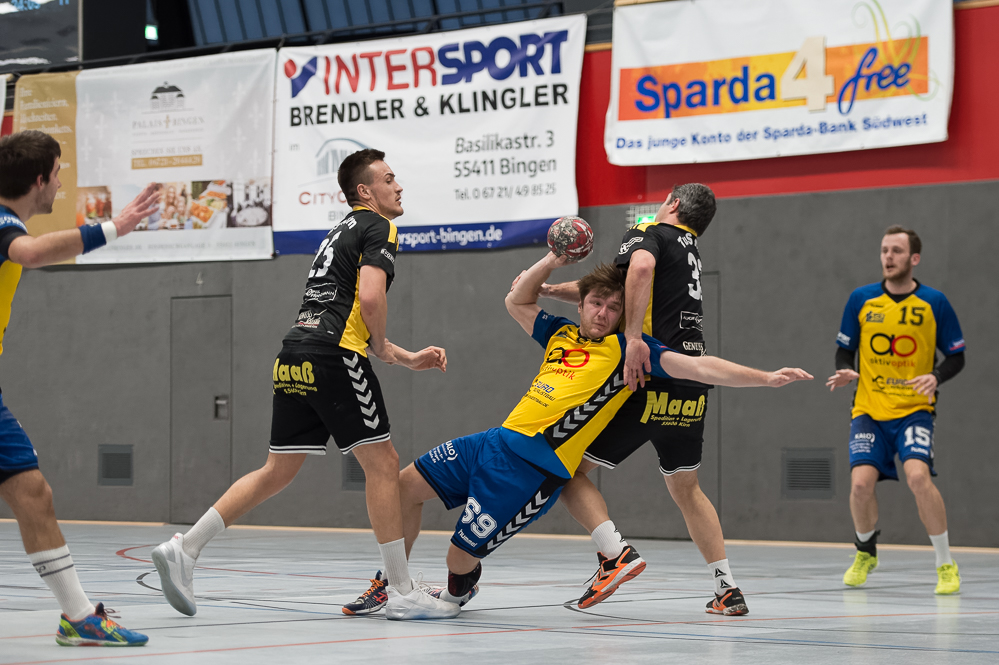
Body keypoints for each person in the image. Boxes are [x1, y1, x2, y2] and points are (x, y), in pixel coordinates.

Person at [378, 251, 811, 620]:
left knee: (457, 560)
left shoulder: (629, 351)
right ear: (582, 305)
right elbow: (516, 299)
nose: (603, 313)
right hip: (491, 442)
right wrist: (553, 259)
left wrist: (765, 378)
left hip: (532, 471)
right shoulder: (559, 333)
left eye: (613, 308)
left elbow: (698, 367)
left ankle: (456, 594)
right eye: (596, 303)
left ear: (623, 315)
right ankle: (392, 585)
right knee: (403, 486)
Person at [152, 149, 448, 618]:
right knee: (384, 464)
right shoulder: (379, 226)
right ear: (366, 191)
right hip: (334, 356)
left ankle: (185, 548)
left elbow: (345, 307)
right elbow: (370, 299)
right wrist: (380, 345)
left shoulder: (339, 231)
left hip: (294, 353)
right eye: (390, 179)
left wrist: (402, 356)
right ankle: (399, 590)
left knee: (277, 470)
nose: (399, 186)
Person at [540, 185, 746, 614]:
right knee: (687, 489)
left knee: (565, 470)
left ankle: (615, 554)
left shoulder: (649, 231)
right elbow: (610, 288)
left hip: (648, 376)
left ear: (672, 203)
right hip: (689, 387)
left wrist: (633, 338)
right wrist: (555, 290)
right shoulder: (689, 250)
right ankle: (727, 588)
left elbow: (639, 268)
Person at [0, 130, 159, 646]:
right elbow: (30, 253)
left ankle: (79, 616)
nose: (60, 184)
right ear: (39, 180)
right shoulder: (4, 225)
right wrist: (115, 227)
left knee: (31, 492)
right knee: (32, 491)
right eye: (57, 174)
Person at [827, 226, 965, 594]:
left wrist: (936, 376)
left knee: (918, 477)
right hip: (869, 408)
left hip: (914, 409)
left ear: (914, 258)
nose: (888, 257)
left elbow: (957, 356)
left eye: (897, 251)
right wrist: (845, 369)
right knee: (860, 484)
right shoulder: (862, 299)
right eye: (885, 250)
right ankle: (865, 552)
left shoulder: (934, 302)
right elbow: (844, 350)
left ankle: (945, 563)